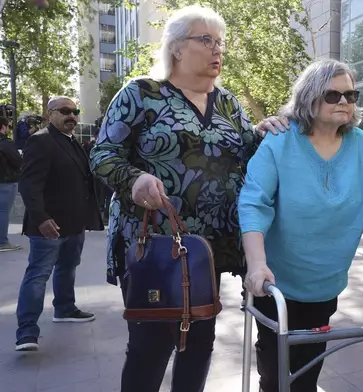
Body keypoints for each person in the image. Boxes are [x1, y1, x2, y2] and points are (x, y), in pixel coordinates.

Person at [90, 5, 269, 392]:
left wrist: (265, 132)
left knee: (200, 342)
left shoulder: (227, 103)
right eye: (205, 40)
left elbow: (249, 155)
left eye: (220, 42)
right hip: (154, 244)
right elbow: (103, 155)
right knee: (151, 345)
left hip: (209, 248)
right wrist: (134, 179)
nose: (216, 49)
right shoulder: (141, 93)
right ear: (175, 48)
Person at [239, 59, 363, 392]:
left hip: (325, 282)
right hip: (276, 282)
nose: (344, 101)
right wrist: (257, 264)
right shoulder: (280, 140)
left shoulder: (362, 145)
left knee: (307, 370)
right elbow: (253, 203)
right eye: (333, 95)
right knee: (276, 375)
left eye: (351, 94)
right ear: (309, 97)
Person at [16, 97, 103, 352]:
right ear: (50, 113)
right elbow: (28, 184)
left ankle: (65, 308)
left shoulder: (72, 141)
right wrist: (41, 218)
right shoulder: (40, 140)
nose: (72, 116)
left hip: (74, 224)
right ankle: (27, 333)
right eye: (65, 111)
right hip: (48, 226)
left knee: (68, 268)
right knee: (37, 275)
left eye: (75, 111)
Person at [0, 116, 22, 252]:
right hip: (5, 181)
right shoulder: (5, 143)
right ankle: (2, 242)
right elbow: (17, 162)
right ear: (3, 126)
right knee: (3, 211)